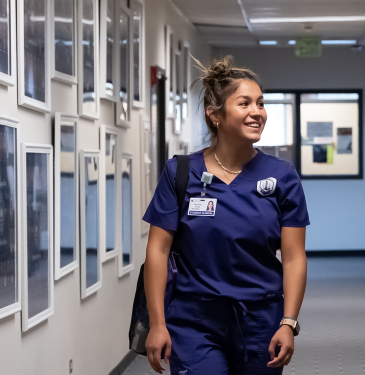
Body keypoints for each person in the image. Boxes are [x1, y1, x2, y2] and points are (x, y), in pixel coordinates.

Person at [141, 56, 310, 374]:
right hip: (194, 319)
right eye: (244, 103)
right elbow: (158, 250)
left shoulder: (282, 176)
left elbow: (293, 257)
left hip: (261, 318)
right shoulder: (181, 173)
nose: (257, 112)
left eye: (260, 103)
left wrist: (289, 322)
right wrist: (157, 323)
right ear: (215, 114)